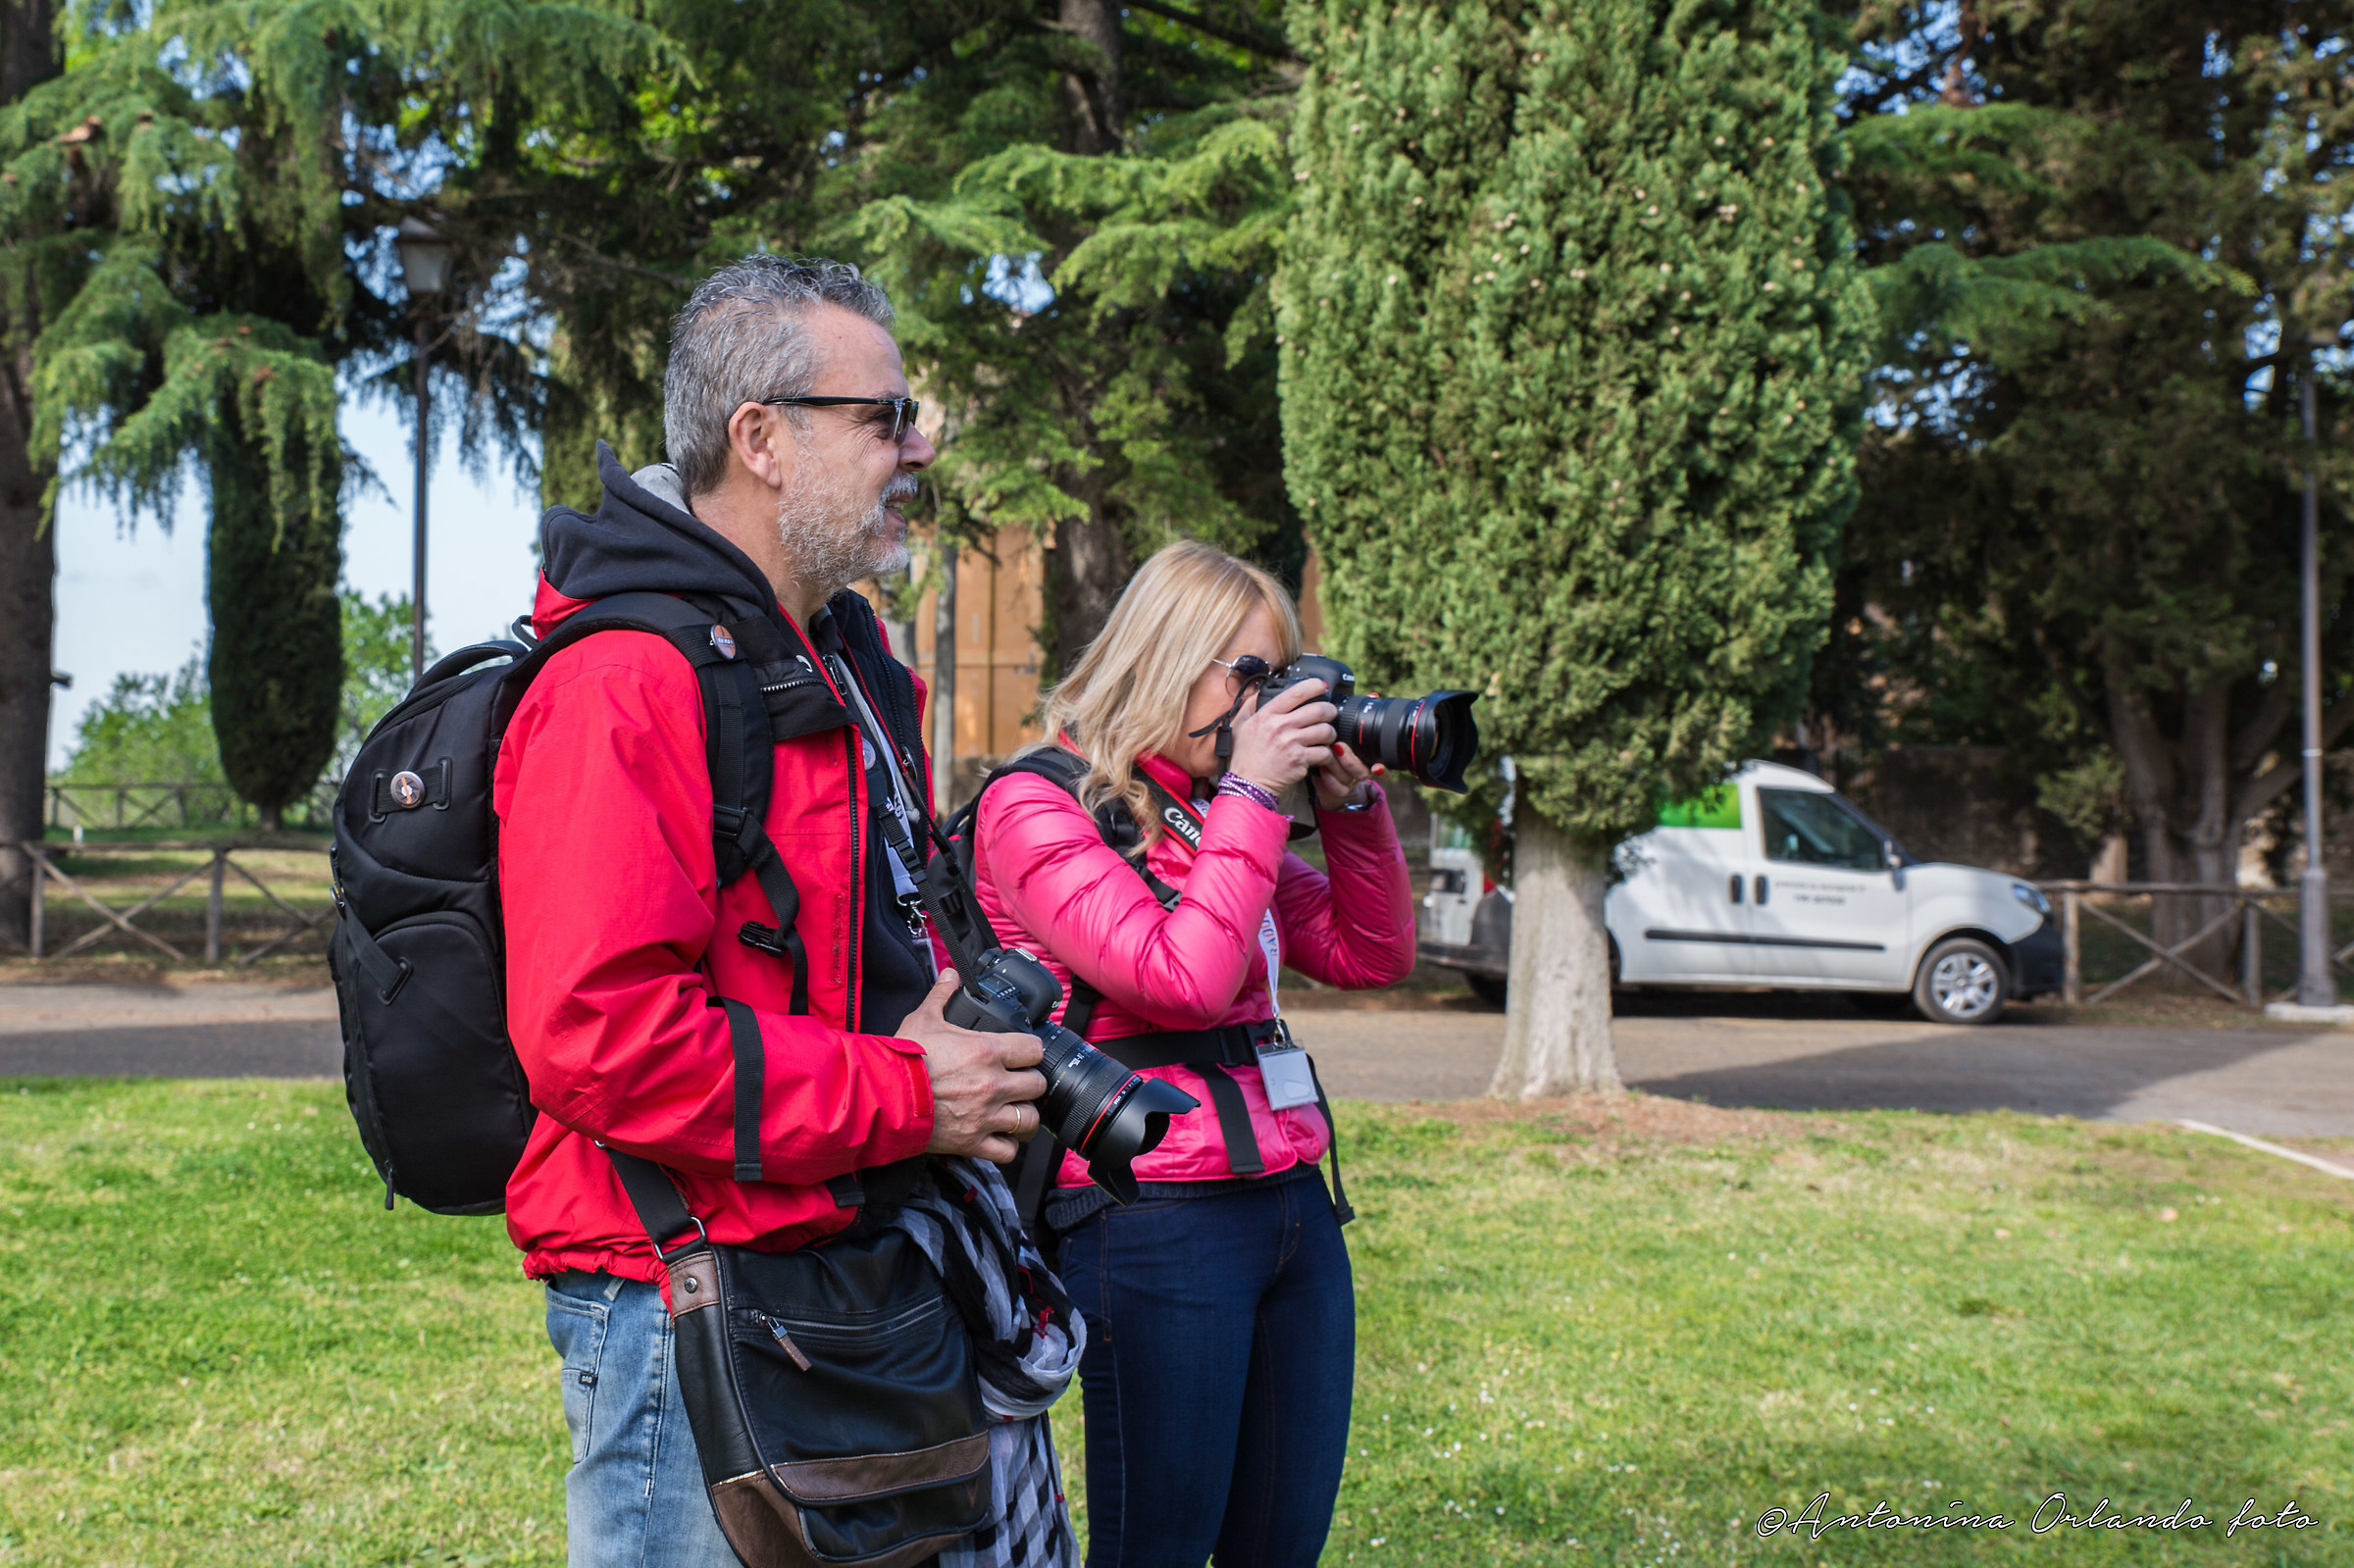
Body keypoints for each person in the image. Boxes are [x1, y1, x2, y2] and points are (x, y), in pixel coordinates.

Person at [493, 255, 1054, 1567]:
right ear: (760, 438)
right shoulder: (626, 681)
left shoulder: (840, 662)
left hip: (834, 1264)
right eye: (882, 417)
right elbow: (599, 1037)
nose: (915, 447)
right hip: (676, 1300)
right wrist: (911, 1092)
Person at [969, 541, 1417, 1568]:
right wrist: (1257, 799)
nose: (1270, 708)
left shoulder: (1214, 815)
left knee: (1279, 1545)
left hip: (1292, 1203)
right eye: (1250, 678)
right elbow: (1182, 979)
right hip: (1154, 1221)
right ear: (1168, 659)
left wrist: (1349, 807)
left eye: (1284, 681)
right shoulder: (1038, 808)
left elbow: (1370, 949)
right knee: (1160, 1546)